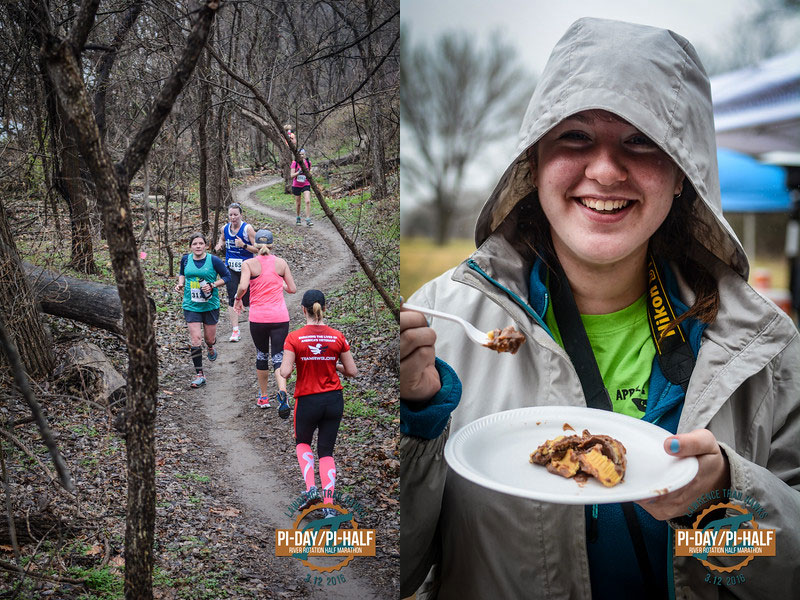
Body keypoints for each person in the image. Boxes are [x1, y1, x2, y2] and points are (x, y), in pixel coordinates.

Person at [400, 18, 800, 600]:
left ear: (683, 174)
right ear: (534, 160)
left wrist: (724, 500)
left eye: (641, 140)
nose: (606, 169)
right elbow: (400, 568)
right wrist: (415, 417)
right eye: (576, 137)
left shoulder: (764, 347)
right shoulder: (437, 327)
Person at [280, 290, 357, 518]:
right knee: (326, 451)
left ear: (302, 309)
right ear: (324, 308)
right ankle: (329, 505)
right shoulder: (337, 336)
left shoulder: (294, 338)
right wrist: (333, 365)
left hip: (307, 400)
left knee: (303, 442)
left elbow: (285, 371)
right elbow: (352, 371)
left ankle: (310, 489)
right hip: (334, 400)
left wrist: (296, 364)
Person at [234, 229, 297, 413]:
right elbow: (292, 289)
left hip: (258, 318)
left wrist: (237, 300)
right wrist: (280, 283)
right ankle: (282, 392)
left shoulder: (249, 264)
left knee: (262, 354)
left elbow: (243, 286)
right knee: (278, 356)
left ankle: (263, 397)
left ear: (256, 246)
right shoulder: (281, 263)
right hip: (280, 318)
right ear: (272, 245)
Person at [175, 232, 231, 388]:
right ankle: (199, 374)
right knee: (195, 340)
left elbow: (227, 277)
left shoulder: (213, 260)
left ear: (206, 245)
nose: (198, 246)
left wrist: (212, 285)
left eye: (201, 243)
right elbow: (181, 274)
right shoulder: (186, 259)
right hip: (191, 304)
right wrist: (180, 284)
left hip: (210, 304)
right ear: (190, 246)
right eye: (195, 244)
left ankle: (211, 347)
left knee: (208, 339)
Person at [214, 202, 257, 342]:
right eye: (230, 215)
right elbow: (222, 238)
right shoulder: (225, 228)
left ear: (241, 215)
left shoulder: (247, 229)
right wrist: (220, 244)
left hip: (247, 268)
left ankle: (256, 326)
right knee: (232, 297)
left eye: (235, 215)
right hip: (231, 268)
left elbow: (258, 249)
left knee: (248, 300)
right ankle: (235, 330)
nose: (233, 218)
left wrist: (244, 245)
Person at [291, 149, 313, 226]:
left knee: (307, 201)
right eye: (300, 154)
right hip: (296, 184)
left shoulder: (308, 163)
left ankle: (308, 219)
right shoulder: (294, 163)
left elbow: (310, 173)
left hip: (305, 183)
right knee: (298, 204)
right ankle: (298, 217)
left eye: (303, 154)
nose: (301, 156)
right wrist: (298, 172)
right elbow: (291, 175)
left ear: (305, 155)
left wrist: (309, 174)